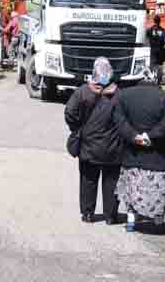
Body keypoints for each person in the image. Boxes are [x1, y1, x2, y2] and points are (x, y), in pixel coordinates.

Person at [113, 65, 165, 232]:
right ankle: (158, 222)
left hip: (132, 152)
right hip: (158, 153)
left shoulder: (125, 95)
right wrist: (150, 136)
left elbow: (119, 120)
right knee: (157, 189)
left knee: (132, 187)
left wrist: (134, 136)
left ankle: (131, 220)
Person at [65, 58, 124, 225]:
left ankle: (88, 214)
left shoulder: (83, 92)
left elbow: (69, 113)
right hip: (113, 146)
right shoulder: (118, 94)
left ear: (94, 72)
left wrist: (77, 128)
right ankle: (111, 215)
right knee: (111, 181)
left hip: (88, 145)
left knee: (88, 180)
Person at [148, 15, 165, 84]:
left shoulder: (150, 30)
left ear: (154, 21)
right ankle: (159, 80)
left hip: (153, 50)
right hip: (160, 50)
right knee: (160, 65)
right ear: (160, 21)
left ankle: (153, 79)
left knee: (153, 65)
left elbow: (147, 38)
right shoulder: (163, 30)